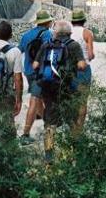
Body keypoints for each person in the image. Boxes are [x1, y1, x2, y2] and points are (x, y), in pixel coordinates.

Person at [31, 20, 87, 161]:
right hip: (67, 90)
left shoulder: (46, 45)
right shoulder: (74, 45)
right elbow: (81, 65)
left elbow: (35, 65)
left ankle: (49, 157)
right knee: (72, 121)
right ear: (69, 32)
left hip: (49, 90)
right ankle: (72, 154)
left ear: (55, 32)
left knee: (50, 123)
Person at [18, 10, 54, 145]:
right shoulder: (48, 34)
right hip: (41, 73)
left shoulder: (26, 35)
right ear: (47, 22)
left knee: (38, 97)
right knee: (34, 99)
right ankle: (25, 134)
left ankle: (45, 121)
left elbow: (19, 50)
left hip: (28, 71)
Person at [70, 9, 95, 137]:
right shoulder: (87, 33)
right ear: (83, 20)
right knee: (82, 101)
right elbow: (90, 55)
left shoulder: (66, 33)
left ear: (72, 21)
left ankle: (72, 129)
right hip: (83, 70)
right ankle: (78, 132)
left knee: (71, 99)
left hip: (69, 71)